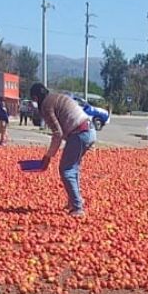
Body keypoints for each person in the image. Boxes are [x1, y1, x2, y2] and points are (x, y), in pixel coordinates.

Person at [30, 83, 97, 217]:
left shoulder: (46, 105)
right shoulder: (56, 97)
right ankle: (74, 201)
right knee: (73, 168)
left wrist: (48, 156)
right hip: (89, 130)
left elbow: (57, 133)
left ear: (36, 98)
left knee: (66, 170)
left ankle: (78, 207)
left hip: (80, 133)